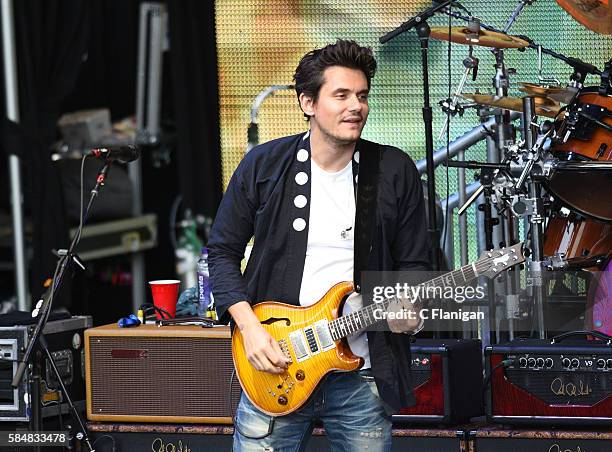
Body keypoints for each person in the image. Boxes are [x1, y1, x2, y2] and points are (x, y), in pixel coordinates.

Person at [208, 39, 430, 452]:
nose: (356, 106)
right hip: (276, 367)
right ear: (308, 103)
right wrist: (249, 329)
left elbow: (415, 262)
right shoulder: (264, 165)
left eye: (362, 96)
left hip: (360, 374)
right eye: (341, 95)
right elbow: (221, 252)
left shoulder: (394, 169)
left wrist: (409, 312)